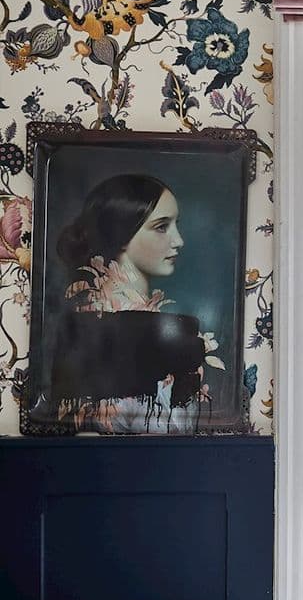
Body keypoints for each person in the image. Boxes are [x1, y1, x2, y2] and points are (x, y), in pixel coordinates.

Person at [50, 173, 217, 433]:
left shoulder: (152, 320)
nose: (179, 240)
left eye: (175, 225)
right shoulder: (98, 323)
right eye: (162, 226)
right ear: (121, 233)